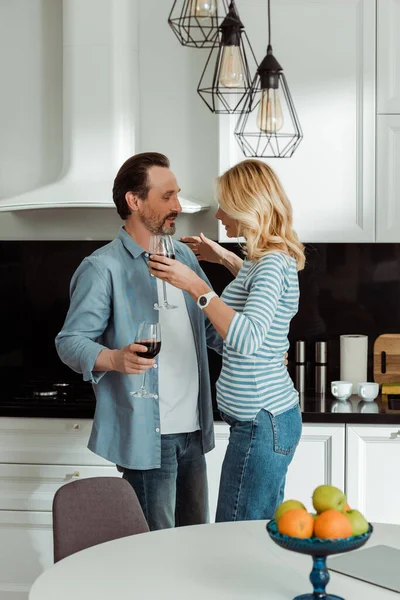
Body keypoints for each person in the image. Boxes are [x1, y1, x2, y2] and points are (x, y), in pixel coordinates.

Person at [55, 152, 223, 531]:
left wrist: (256, 349)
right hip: (148, 437)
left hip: (194, 430)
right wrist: (114, 359)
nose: (178, 206)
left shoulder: (184, 257)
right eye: (167, 196)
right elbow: (70, 341)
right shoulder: (103, 267)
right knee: (157, 551)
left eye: (177, 195)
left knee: (197, 541)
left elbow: (211, 327)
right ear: (134, 201)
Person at [149, 158, 305, 522]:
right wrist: (224, 257)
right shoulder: (266, 258)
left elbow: (248, 338)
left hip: (260, 423)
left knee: (236, 534)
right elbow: (258, 291)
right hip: (263, 420)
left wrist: (196, 285)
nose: (219, 214)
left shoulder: (271, 263)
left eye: (226, 205)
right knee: (252, 532)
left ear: (248, 207)